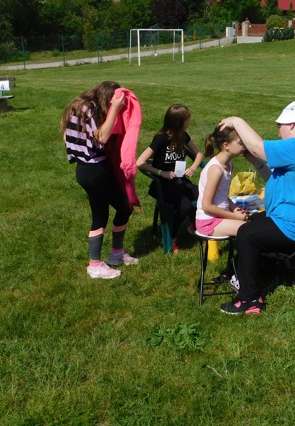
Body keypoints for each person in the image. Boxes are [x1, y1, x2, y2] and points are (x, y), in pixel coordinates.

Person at [218, 102, 295, 315]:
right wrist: (255, 162)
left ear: (292, 125)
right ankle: (237, 274)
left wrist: (236, 120)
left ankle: (250, 300)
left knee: (247, 235)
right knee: (251, 222)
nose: (278, 131)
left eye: (279, 126)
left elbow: (258, 147)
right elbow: (275, 177)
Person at [61, 81, 139, 279]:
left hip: (91, 169)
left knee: (124, 206)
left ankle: (117, 254)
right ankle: (94, 265)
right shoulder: (91, 109)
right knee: (100, 216)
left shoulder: (79, 106)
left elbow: (66, 137)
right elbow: (102, 137)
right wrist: (115, 108)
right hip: (93, 171)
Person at [136, 104, 203, 253]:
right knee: (185, 205)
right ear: (179, 122)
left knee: (202, 194)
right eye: (187, 119)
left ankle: (196, 226)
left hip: (180, 181)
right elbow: (140, 162)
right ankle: (171, 235)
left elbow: (199, 154)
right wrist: (161, 173)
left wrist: (193, 168)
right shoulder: (161, 138)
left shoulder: (183, 136)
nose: (189, 122)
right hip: (163, 185)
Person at [195, 124, 250, 238]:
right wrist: (234, 216)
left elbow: (223, 195)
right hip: (208, 222)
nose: (244, 146)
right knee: (249, 231)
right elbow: (206, 206)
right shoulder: (216, 170)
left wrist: (235, 209)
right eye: (240, 143)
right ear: (226, 145)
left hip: (220, 217)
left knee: (255, 226)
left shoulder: (229, 165)